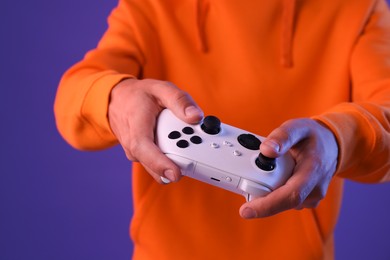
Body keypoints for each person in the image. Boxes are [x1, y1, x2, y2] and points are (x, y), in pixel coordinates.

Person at [54, 0, 390, 259]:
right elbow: (74, 93)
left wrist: (336, 138)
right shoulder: (153, 5)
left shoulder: (358, 8)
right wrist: (115, 97)